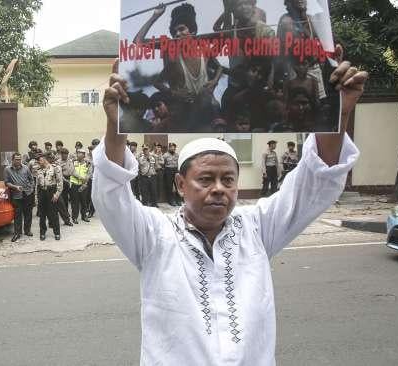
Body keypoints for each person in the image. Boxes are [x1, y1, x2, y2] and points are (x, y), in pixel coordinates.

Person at [94, 55, 366, 365]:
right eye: (206, 179)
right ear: (181, 185)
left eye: (228, 180)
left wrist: (338, 113)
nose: (219, 188)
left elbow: (315, 180)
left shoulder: (258, 228)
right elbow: (111, 195)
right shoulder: (154, 235)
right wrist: (115, 126)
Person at [135, 3, 226, 132]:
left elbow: (219, 67)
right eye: (175, 32)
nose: (177, 34)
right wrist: (155, 15)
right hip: (182, 111)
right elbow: (138, 41)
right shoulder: (170, 51)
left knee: (211, 102)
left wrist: (214, 81)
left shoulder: (203, 50)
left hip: (205, 109)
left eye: (182, 29)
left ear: (192, 31)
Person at [5, 153, 35, 242]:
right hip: (16, 195)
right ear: (12, 160)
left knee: (28, 213)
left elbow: (31, 179)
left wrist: (31, 188)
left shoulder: (25, 168)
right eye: (16, 159)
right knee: (18, 215)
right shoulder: (7, 169)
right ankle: (17, 233)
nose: (18, 161)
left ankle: (27, 230)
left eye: (19, 159)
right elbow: (6, 182)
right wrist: (15, 187)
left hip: (27, 193)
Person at [36, 153, 63, 240]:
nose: (38, 162)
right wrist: (36, 196)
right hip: (42, 192)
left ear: (44, 159)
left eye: (39, 160)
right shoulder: (39, 170)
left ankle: (57, 233)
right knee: (42, 214)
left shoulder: (55, 168)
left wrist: (57, 194)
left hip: (51, 191)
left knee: (53, 214)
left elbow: (60, 182)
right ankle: (42, 232)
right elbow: (37, 184)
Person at [70, 149, 92, 224]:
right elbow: (72, 172)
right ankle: (74, 217)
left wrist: (85, 180)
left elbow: (89, 173)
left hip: (83, 185)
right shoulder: (73, 162)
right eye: (77, 153)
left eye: (80, 153)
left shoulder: (88, 163)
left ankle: (84, 216)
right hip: (74, 184)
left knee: (84, 201)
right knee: (74, 202)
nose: (78, 154)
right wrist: (81, 177)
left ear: (83, 155)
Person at [57, 148, 74, 226]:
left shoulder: (70, 161)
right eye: (64, 154)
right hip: (63, 180)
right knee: (63, 199)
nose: (66, 155)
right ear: (61, 154)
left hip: (71, 179)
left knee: (69, 198)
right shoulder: (58, 162)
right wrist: (66, 181)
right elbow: (59, 174)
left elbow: (72, 170)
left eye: (67, 154)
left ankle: (67, 213)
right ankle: (65, 214)